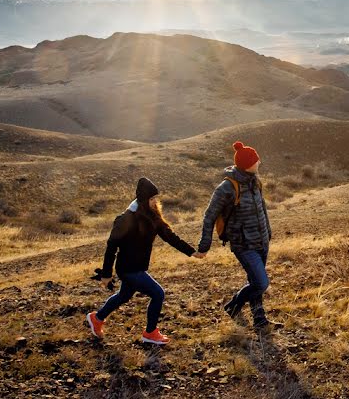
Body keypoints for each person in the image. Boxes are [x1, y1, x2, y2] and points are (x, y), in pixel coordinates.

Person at [86, 177, 203, 345]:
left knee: (123, 296)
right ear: (144, 199)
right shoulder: (126, 219)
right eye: (152, 199)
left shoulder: (154, 217)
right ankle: (150, 333)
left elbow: (170, 237)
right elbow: (111, 246)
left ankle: (97, 318)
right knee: (158, 293)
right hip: (127, 268)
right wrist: (106, 274)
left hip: (138, 267)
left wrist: (191, 252)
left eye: (156, 198)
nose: (156, 201)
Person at [198, 141, 277, 330]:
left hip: (261, 240)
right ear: (247, 163)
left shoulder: (255, 181)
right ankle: (233, 305)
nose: (259, 162)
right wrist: (204, 245)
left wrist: (268, 231)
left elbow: (262, 209)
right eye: (256, 160)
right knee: (261, 282)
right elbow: (209, 216)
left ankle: (259, 319)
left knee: (254, 281)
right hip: (243, 244)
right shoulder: (226, 187)